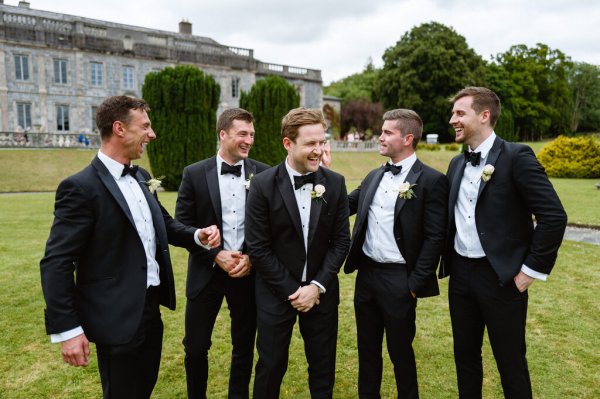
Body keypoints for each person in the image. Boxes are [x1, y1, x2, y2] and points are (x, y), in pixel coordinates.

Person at [39, 95, 221, 399]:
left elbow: (164, 224)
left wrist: (196, 235)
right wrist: (68, 330)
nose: (152, 135)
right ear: (119, 128)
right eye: (146, 127)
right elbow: (56, 262)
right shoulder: (80, 188)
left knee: (143, 389)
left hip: (151, 311)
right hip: (115, 316)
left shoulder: (141, 176)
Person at [441, 86, 567, 398]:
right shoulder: (457, 164)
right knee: (465, 358)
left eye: (460, 113)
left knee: (510, 362)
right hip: (461, 277)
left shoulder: (516, 156)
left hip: (502, 278)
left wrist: (528, 273)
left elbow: (553, 216)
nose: (452, 119)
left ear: (484, 115)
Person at [245, 107, 351, 399]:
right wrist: (294, 290)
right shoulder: (263, 185)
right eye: (310, 144)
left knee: (322, 367)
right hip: (275, 293)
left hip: (322, 294)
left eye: (322, 142)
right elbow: (258, 246)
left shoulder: (335, 183)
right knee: (270, 366)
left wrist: (316, 287)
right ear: (288, 144)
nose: (318, 150)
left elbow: (342, 241)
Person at [345, 109, 449, 398]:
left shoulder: (431, 180)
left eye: (387, 132)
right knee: (367, 349)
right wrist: (320, 176)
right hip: (366, 277)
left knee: (400, 351)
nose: (380, 136)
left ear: (407, 138)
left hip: (399, 279)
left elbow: (435, 237)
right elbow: (344, 206)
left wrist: (414, 284)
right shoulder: (373, 175)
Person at [175, 108, 269, 399]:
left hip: (246, 272)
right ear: (223, 134)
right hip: (206, 273)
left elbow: (271, 227)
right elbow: (181, 225)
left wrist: (251, 258)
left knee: (243, 346)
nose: (249, 140)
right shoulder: (194, 173)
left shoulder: (263, 173)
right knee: (195, 347)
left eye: (251, 134)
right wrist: (214, 253)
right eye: (242, 133)